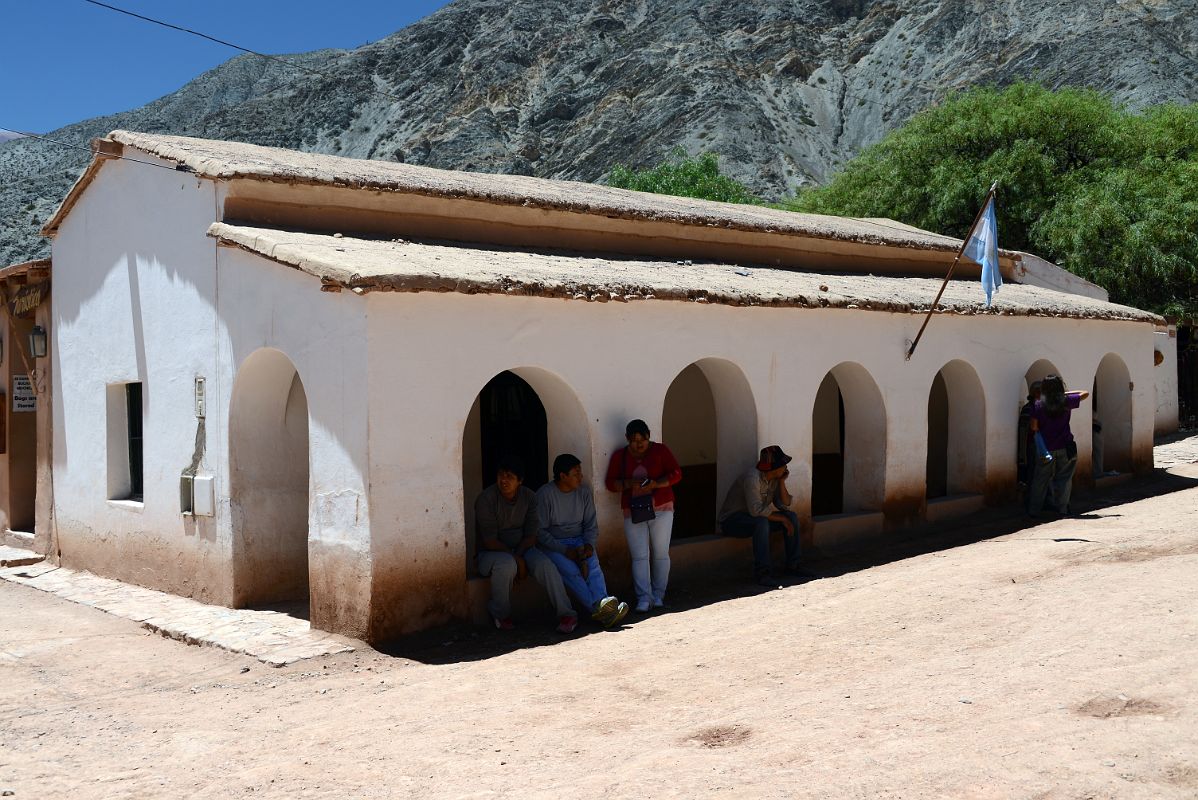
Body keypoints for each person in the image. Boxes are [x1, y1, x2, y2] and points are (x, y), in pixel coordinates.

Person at [475, 455, 578, 633]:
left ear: (520, 481)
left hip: (523, 549)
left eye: (510, 477)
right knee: (506, 564)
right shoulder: (486, 499)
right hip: (490, 554)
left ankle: (567, 614)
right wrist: (516, 559)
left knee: (546, 565)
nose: (504, 480)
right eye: (501, 475)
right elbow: (490, 541)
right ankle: (500, 614)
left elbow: (532, 535)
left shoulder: (530, 497)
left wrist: (520, 556)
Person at [536, 454, 629, 628]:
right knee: (571, 571)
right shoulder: (545, 495)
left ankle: (603, 603)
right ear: (563, 476)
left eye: (580, 472)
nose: (581, 476)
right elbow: (540, 533)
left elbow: (590, 525)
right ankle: (597, 609)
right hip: (554, 544)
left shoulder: (584, 492)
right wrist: (565, 551)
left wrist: (588, 546)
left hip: (579, 541)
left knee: (593, 566)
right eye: (576, 473)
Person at [604, 419, 683, 613]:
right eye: (634, 440)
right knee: (639, 556)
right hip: (634, 510)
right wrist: (629, 483)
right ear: (627, 439)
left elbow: (676, 474)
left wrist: (656, 483)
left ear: (649, 436)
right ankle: (643, 598)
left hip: (662, 507)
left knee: (660, 553)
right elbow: (610, 483)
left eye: (643, 439)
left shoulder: (661, 451)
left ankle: (658, 595)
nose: (639, 444)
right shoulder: (619, 457)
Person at [718, 445, 814, 586]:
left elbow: (785, 504)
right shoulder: (752, 478)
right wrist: (781, 519)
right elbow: (755, 511)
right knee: (761, 522)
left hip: (754, 518)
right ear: (774, 468)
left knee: (791, 517)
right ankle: (762, 573)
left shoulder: (774, 480)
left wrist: (781, 482)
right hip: (732, 521)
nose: (786, 468)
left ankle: (794, 565)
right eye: (783, 465)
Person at [1028, 375, 1090, 517]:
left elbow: (1033, 427)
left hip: (1046, 449)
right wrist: (1063, 394)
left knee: (1040, 480)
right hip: (1065, 446)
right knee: (1064, 479)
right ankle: (1062, 509)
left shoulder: (1038, 405)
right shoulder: (1066, 401)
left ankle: (1034, 511)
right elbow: (1085, 393)